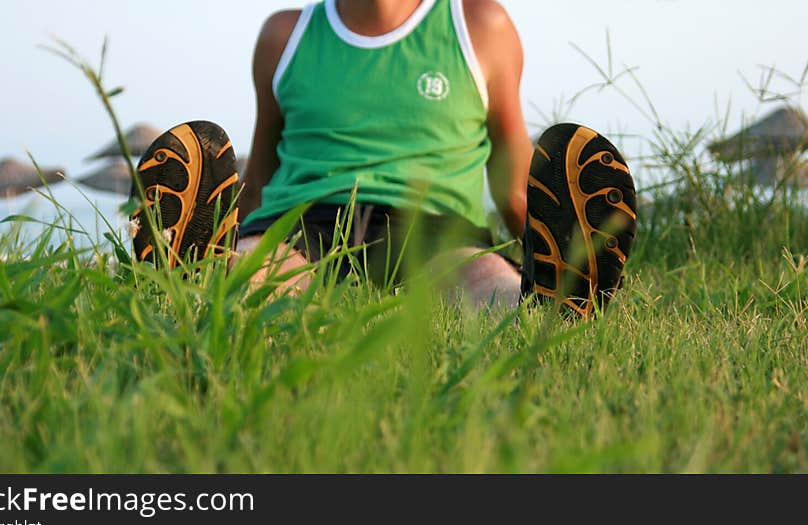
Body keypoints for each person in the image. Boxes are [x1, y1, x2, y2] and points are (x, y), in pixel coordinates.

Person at [130, 0, 637, 317]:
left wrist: (551, 249)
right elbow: (261, 172)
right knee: (265, 269)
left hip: (433, 224)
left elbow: (513, 183)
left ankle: (554, 299)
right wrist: (231, 229)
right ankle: (206, 274)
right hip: (303, 217)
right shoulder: (285, 35)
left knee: (481, 279)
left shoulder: (480, 25)